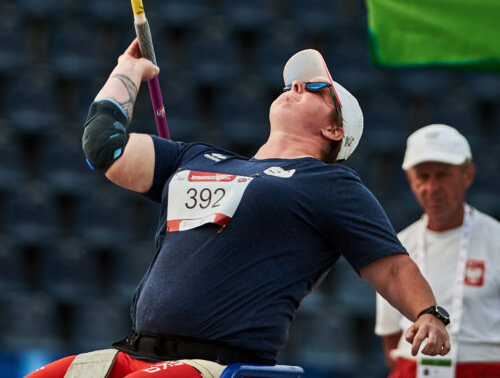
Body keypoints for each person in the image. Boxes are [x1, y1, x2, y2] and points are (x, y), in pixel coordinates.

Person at [26, 43, 450, 378]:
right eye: (294, 84)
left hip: (215, 366)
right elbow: (104, 147)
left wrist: (428, 314)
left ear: (334, 130)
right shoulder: (197, 157)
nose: (295, 86)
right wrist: (129, 68)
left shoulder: (329, 184)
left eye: (316, 88)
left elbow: (392, 267)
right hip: (132, 352)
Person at [375, 123, 500, 378]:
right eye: (422, 176)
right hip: (412, 370)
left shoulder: (496, 239)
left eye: (443, 175)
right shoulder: (398, 245)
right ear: (410, 180)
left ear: (468, 175)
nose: (432, 188)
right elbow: (390, 340)